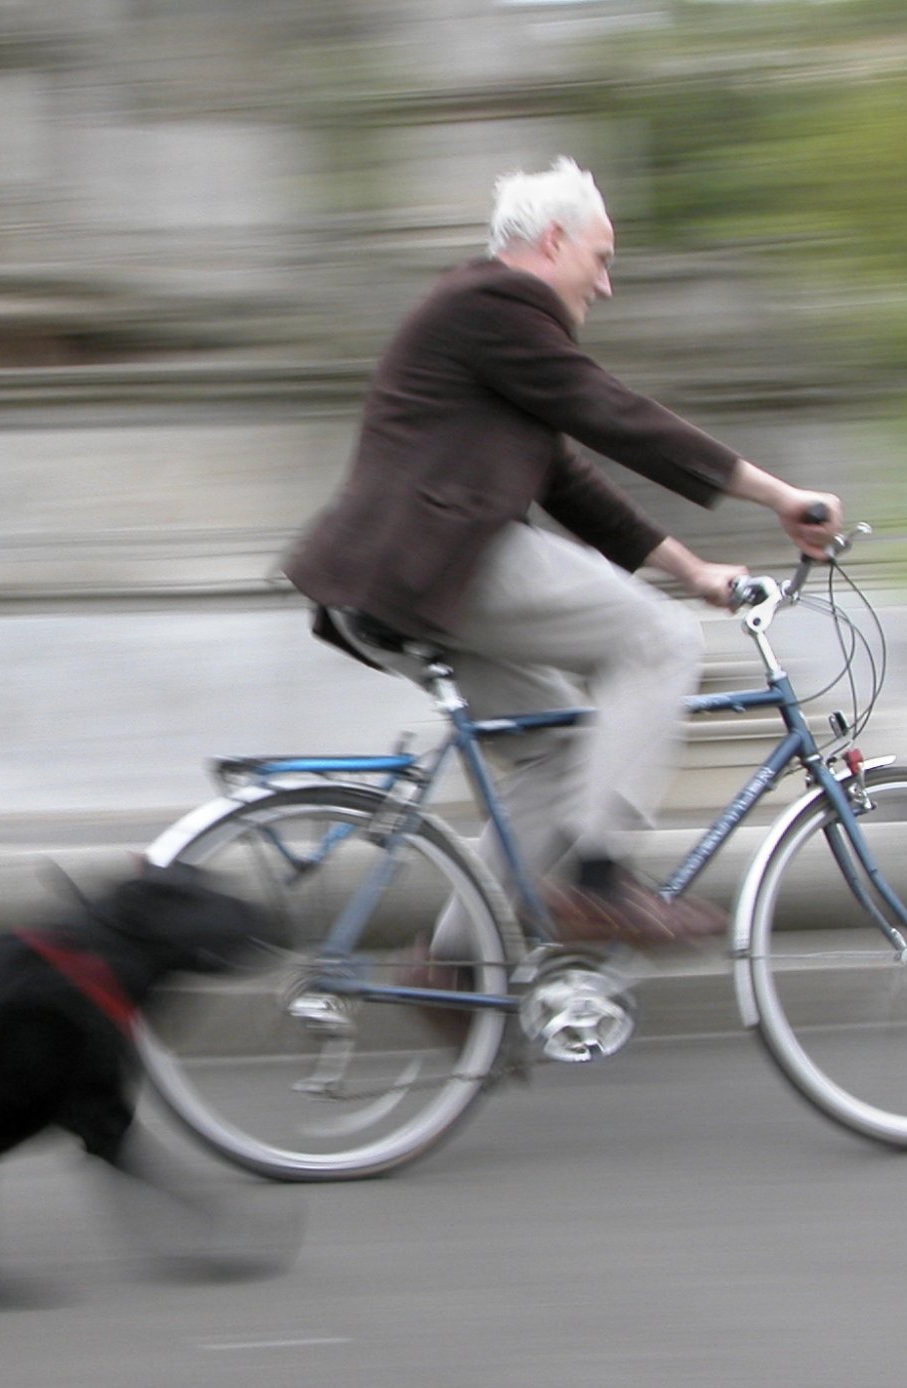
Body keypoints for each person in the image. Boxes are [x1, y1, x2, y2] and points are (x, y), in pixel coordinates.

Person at [282, 156, 843, 945]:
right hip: (435, 561)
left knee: (562, 752)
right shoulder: (494, 301)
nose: (604, 285)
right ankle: (601, 876)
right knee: (660, 639)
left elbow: (569, 481)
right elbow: (613, 412)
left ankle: (454, 966)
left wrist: (693, 571)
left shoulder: (483, 326)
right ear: (552, 242)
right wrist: (779, 495)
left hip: (392, 583)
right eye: (601, 259)